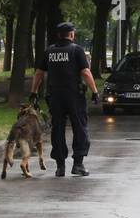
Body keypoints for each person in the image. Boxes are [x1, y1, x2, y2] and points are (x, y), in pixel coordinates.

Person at [31, 20, 98, 176]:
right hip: (74, 95)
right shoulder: (77, 50)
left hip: (55, 96)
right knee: (79, 128)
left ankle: (60, 167)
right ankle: (78, 165)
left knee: (58, 129)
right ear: (72, 34)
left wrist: (33, 92)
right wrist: (95, 91)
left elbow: (39, 73)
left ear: (58, 35)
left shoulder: (49, 51)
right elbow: (86, 73)